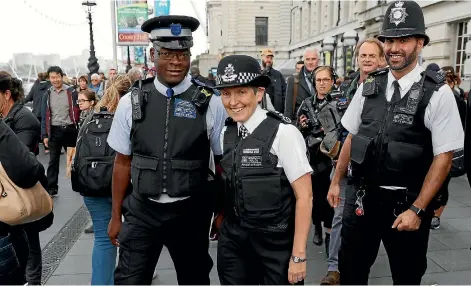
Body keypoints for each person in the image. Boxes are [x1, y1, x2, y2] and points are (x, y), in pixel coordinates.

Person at [328, 1, 464, 284]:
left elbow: (444, 157)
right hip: (362, 199)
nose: (394, 47)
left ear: (420, 43)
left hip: (406, 203)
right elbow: (352, 135)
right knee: (351, 271)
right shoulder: (369, 86)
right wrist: (335, 180)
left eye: (403, 39)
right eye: (389, 40)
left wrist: (418, 209)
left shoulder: (437, 93)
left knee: (407, 275)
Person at [107, 15, 227, 285]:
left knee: (194, 279)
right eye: (167, 54)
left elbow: (222, 164)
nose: (175, 62)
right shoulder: (131, 102)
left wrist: (222, 211)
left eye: (182, 54)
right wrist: (116, 216)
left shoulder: (211, 103)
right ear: (153, 54)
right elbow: (122, 162)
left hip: (190, 212)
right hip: (141, 212)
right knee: (129, 280)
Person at [215, 54, 312, 285]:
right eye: (226, 93)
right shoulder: (225, 133)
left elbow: (305, 196)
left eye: (241, 92)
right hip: (234, 242)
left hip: (275, 243)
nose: (233, 101)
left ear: (259, 93)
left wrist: (298, 255)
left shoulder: (284, 133)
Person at [320, 38, 384, 286]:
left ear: (380, 59)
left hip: (372, 167)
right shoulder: (345, 88)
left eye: (372, 56)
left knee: (367, 221)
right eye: (363, 55)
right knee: (339, 215)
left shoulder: (386, 86)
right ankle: (334, 268)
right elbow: (333, 123)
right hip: (343, 163)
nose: (367, 60)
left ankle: (357, 261)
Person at [75, 75, 132, 285]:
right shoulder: (131, 115)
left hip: (93, 186)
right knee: (134, 240)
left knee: (102, 239)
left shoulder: (90, 117)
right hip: (125, 187)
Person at [0, 72, 51, 286]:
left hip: (18, 192)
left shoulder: (23, 118)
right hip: (6, 194)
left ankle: (33, 282)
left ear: (6, 94)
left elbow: (24, 162)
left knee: (29, 241)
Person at [297, 66, 339, 253]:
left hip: (331, 158)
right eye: (318, 80)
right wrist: (303, 124)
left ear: (332, 81)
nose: (321, 83)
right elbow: (299, 125)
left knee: (329, 199)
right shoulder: (306, 103)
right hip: (311, 159)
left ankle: (330, 235)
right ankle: (316, 227)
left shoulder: (339, 102)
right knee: (312, 198)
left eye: (325, 80)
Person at [41, 66, 80, 197]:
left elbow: (77, 110)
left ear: (61, 76)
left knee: (74, 160)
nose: (55, 80)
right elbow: (44, 115)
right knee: (53, 161)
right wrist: (44, 135)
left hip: (70, 129)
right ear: (49, 78)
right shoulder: (47, 94)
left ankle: (80, 184)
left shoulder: (71, 92)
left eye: (57, 76)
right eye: (52, 77)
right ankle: (52, 188)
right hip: (55, 131)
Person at [284, 48, 319, 120]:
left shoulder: (325, 78)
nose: (310, 62)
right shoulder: (293, 80)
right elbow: (288, 109)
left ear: (318, 60)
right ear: (304, 61)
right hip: (300, 126)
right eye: (307, 59)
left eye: (313, 59)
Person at [261, 48, 286, 113]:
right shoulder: (258, 74)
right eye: (267, 57)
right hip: (263, 113)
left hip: (278, 113)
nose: (269, 60)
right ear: (262, 58)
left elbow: (285, 93)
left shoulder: (278, 74)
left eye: (271, 58)